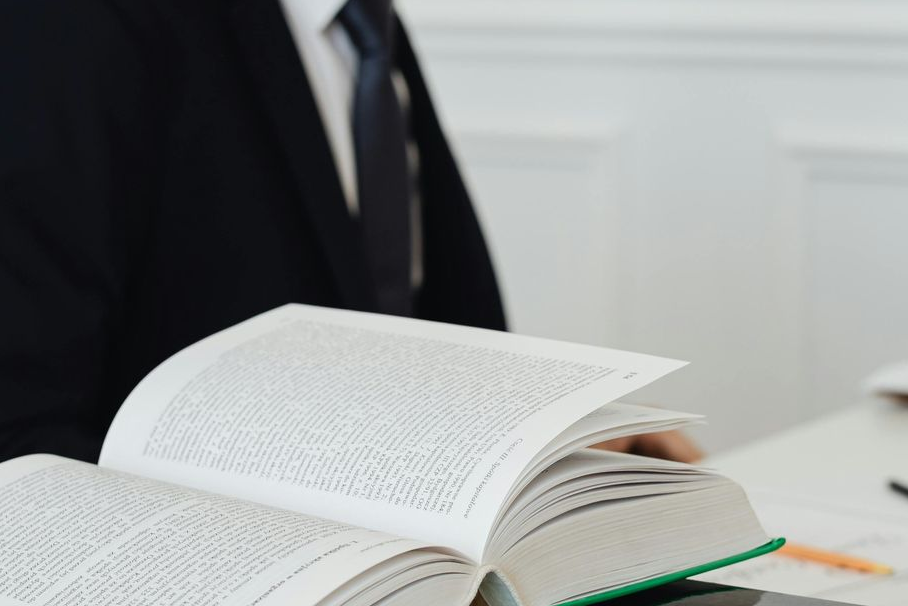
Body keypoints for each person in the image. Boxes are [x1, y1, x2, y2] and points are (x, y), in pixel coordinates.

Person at [0, 0, 700, 464]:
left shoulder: (363, 27)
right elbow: (25, 435)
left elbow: (404, 333)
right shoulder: (73, 25)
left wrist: (550, 444)